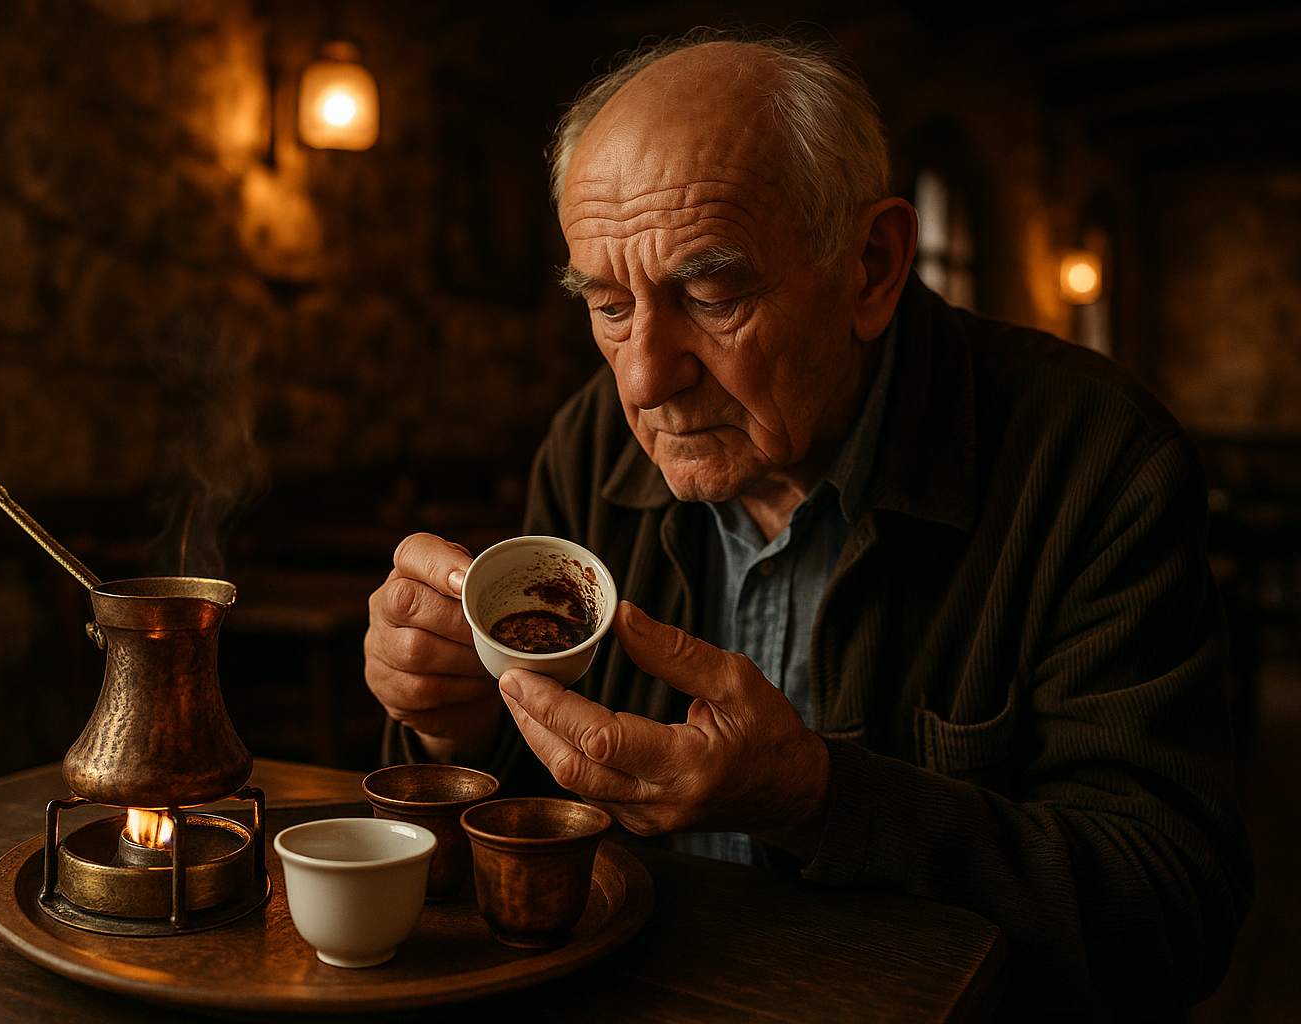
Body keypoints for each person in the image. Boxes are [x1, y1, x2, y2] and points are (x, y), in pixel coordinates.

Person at [363, 31, 1252, 1021]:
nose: (644, 378)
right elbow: (535, 819)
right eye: (609, 305)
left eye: (710, 293)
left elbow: (1172, 913)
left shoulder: (1094, 459)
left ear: (871, 267)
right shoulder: (588, 446)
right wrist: (460, 716)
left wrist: (822, 801)